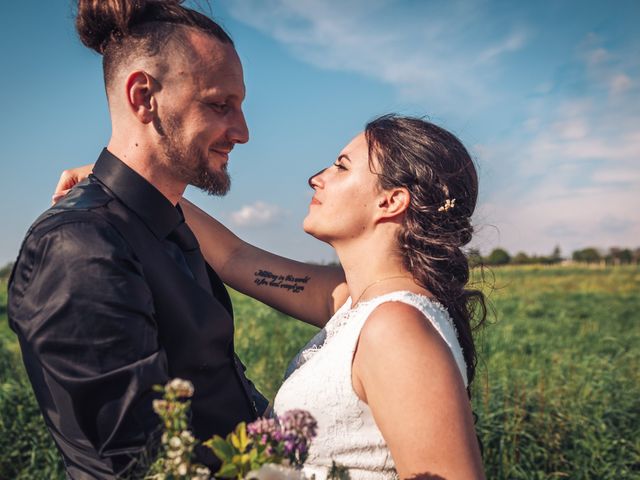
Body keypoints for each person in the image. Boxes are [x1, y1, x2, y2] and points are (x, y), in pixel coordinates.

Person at [57, 115, 486, 479]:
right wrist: (122, 185)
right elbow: (234, 257)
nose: (316, 178)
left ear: (390, 201)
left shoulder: (396, 328)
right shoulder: (354, 302)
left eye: (340, 167)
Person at [7, 1, 267, 478]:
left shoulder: (163, 223)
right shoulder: (79, 247)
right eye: (219, 104)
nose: (242, 132)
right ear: (144, 96)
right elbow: (140, 463)